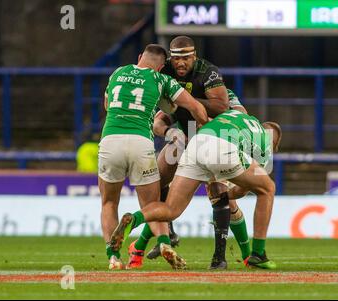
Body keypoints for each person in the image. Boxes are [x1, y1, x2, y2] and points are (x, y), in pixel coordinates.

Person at [110, 109, 283, 270]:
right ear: (274, 142)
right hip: (223, 148)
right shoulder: (266, 140)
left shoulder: (237, 116)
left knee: (171, 210)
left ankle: (134, 219)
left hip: (196, 143)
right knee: (268, 188)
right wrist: (227, 195)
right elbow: (244, 189)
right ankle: (258, 254)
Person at [139, 35, 248, 270]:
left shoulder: (208, 73)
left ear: (194, 57)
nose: (180, 63)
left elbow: (225, 110)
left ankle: (224, 257)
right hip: (187, 134)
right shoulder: (164, 72)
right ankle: (166, 234)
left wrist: (184, 101)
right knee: (157, 178)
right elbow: (158, 122)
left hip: (216, 135)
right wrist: (170, 133)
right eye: (176, 58)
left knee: (220, 193)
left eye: (186, 58)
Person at [99, 43, 208, 270]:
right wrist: (205, 127)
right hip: (141, 143)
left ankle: (113, 258)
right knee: (152, 203)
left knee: (109, 202)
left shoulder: (117, 73)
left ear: (140, 57)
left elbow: (108, 105)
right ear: (161, 67)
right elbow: (194, 106)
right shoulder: (162, 80)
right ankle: (164, 242)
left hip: (111, 139)